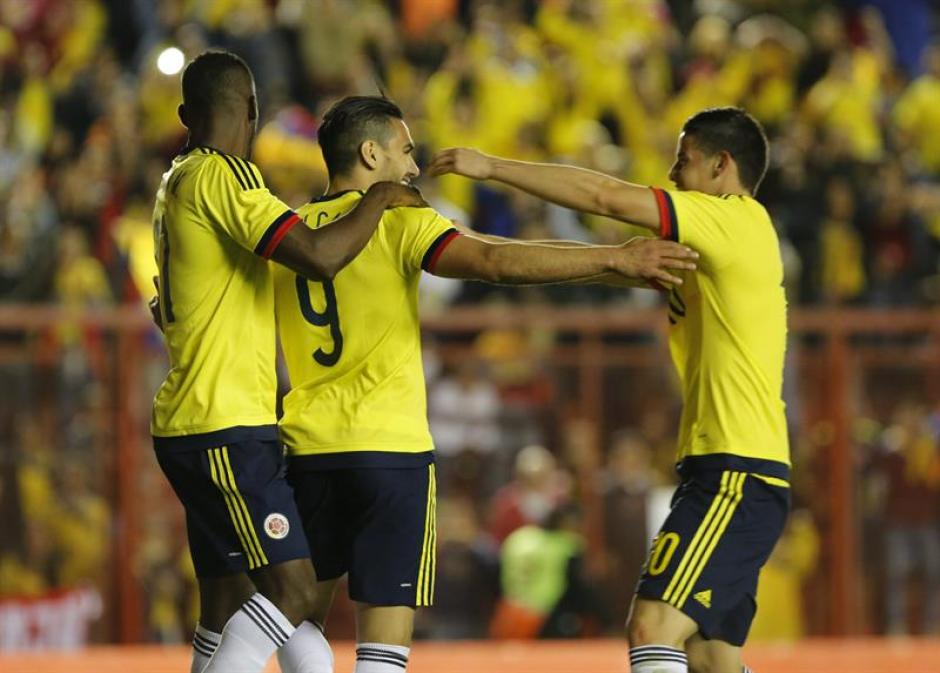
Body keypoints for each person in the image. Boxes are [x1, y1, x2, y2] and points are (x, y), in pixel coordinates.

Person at [271, 95, 698, 673]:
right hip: (389, 451)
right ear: (370, 153)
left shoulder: (287, 232)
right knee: (383, 645)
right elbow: (494, 260)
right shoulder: (397, 217)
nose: (413, 168)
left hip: (307, 447)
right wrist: (613, 259)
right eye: (405, 152)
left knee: (297, 622)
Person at [430, 106, 790, 673]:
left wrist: (492, 167)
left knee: (652, 627)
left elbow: (603, 197)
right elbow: (604, 263)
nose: (672, 173)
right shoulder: (715, 246)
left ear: (723, 166)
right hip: (731, 466)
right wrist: (480, 249)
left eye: (684, 159)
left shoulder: (733, 219)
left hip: (735, 470)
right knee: (709, 655)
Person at [150, 52, 423, 673]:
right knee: (292, 592)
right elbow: (318, 255)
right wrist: (379, 199)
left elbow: (166, 303)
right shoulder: (228, 178)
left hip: (193, 421)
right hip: (224, 425)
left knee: (228, 597)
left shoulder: (175, 183)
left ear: (184, 115)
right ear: (253, 111)